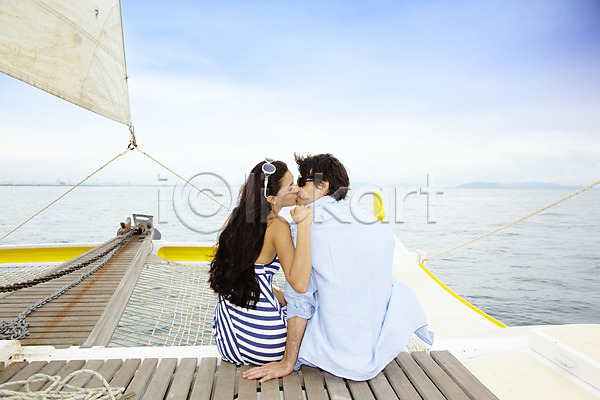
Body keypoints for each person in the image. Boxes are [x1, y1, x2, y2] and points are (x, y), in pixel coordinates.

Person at [243, 153, 433, 382]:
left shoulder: (303, 227)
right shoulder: (374, 225)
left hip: (335, 353)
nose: (297, 190)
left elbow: (300, 299)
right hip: (375, 346)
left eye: (302, 182)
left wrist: (288, 362)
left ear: (323, 185)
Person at [209, 159, 313, 366]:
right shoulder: (278, 226)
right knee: (311, 311)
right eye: (290, 186)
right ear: (272, 198)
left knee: (288, 301)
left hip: (228, 343)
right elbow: (300, 285)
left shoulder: (234, 217)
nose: (297, 189)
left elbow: (247, 275)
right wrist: (303, 225)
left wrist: (279, 295)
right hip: (266, 345)